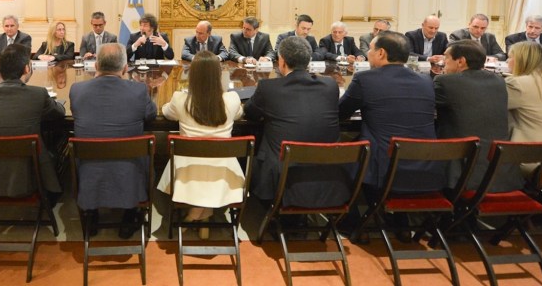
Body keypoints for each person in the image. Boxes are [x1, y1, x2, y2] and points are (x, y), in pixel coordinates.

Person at [70, 43, 157, 239]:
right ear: (125, 68)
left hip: (89, 171)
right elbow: (151, 114)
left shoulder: (77, 90)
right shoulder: (138, 91)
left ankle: (91, 213)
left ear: (95, 66)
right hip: (129, 173)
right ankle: (130, 214)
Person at [245, 36, 343, 210]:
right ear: (308, 60)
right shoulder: (330, 85)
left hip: (281, 180)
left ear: (281, 61)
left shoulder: (268, 87)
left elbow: (250, 113)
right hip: (328, 178)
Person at [339, 32, 442, 195]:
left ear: (381, 53)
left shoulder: (364, 79)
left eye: (371, 49)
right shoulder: (425, 80)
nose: (368, 53)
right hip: (426, 170)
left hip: (385, 172)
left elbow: (340, 113)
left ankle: (348, 217)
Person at [157, 51, 244, 239]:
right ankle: (203, 213)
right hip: (224, 172)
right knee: (212, 169)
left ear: (192, 74)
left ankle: (195, 214)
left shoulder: (180, 99)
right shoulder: (232, 99)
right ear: (219, 75)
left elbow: (166, 112)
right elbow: (238, 114)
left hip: (187, 170)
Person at [0, 44, 65, 202]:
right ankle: (53, 192)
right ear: (27, 69)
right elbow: (59, 114)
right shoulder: (38, 94)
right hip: (29, 181)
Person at [434, 40, 521, 191]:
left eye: (446, 58)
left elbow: (426, 107)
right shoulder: (499, 81)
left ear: (461, 61)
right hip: (499, 173)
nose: (443, 62)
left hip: (462, 174)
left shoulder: (445, 82)